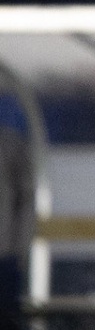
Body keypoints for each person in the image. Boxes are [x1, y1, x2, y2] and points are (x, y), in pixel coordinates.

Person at [0, 121, 31, 316]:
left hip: (5, 257)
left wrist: (20, 250)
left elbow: (26, 201)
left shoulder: (10, 144)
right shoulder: (11, 143)